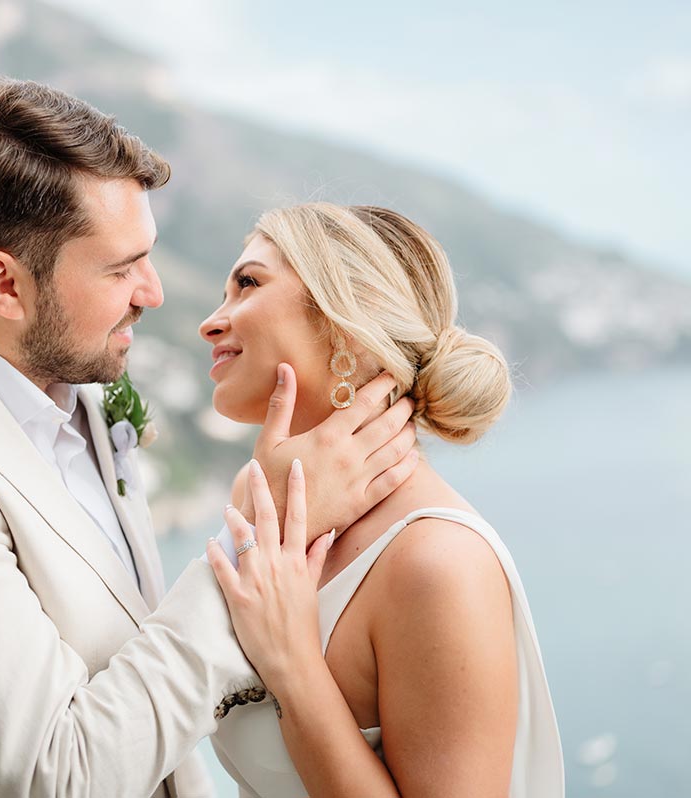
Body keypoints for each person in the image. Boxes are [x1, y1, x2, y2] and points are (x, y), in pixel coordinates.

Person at [0, 77, 420, 798]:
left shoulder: (75, 387)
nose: (155, 291)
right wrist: (262, 545)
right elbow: (60, 775)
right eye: (120, 268)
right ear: (4, 285)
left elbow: (137, 683)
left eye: (147, 254)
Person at [202, 203, 564, 797]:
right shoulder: (257, 495)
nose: (212, 322)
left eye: (247, 283)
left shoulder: (439, 565)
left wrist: (293, 664)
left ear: (344, 321)